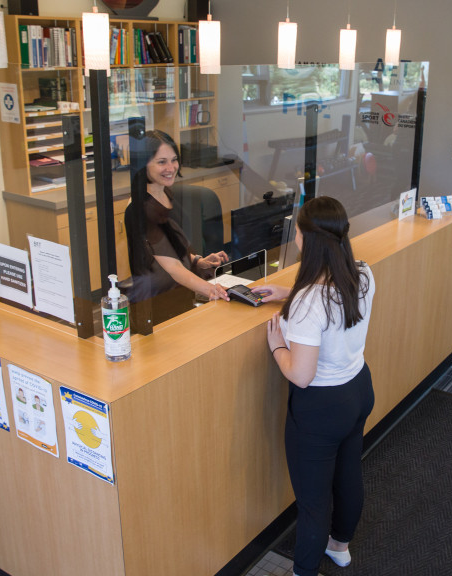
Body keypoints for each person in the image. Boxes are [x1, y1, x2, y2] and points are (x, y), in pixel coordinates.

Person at [252, 197, 376, 576]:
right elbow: (332, 304)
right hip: (358, 390)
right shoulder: (362, 273)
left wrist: (276, 345)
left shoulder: (309, 303)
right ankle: (340, 547)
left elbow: (300, 374)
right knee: (349, 473)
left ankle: (302, 571)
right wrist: (287, 292)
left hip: (321, 407)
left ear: (305, 239)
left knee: (313, 501)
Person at [124, 130, 229, 318]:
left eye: (174, 160)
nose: (171, 168)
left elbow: (168, 247)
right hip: (156, 306)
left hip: (178, 296)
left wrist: (198, 261)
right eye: (161, 162)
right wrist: (212, 290)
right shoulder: (141, 208)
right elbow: (173, 268)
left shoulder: (165, 193)